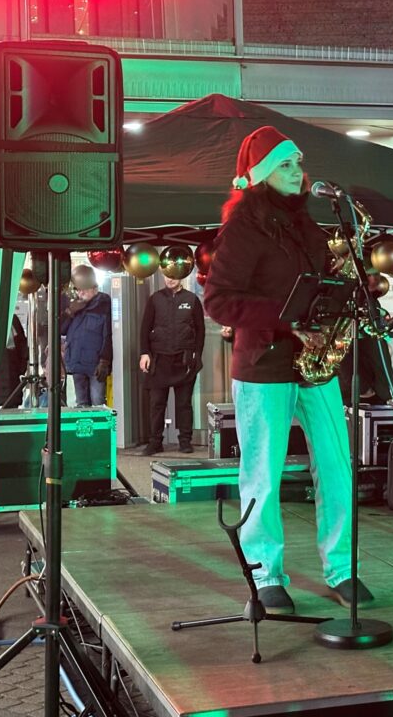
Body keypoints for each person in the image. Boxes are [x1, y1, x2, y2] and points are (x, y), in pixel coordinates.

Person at [203, 125, 373, 614]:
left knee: (338, 468)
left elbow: (318, 281)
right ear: (259, 176)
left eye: (298, 163)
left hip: (316, 363)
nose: (298, 172)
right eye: (286, 165)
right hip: (264, 363)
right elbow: (218, 300)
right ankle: (266, 574)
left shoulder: (307, 224)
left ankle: (342, 567)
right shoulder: (241, 228)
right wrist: (288, 319)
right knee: (263, 475)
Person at [139, 276, 205, 455]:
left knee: (184, 404)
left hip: (184, 360)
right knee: (156, 404)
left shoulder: (192, 299)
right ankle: (155, 442)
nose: (170, 279)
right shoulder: (155, 298)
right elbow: (145, 328)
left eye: (174, 275)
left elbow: (200, 330)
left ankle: (185, 441)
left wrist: (197, 355)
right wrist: (144, 353)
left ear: (181, 276)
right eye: (167, 275)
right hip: (159, 359)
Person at [60, 265, 112, 407]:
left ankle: (99, 430)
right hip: (77, 363)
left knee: (98, 403)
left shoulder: (103, 304)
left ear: (94, 288)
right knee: (81, 405)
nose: (80, 293)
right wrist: (69, 312)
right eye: (78, 290)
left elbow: (108, 335)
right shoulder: (75, 306)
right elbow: (61, 330)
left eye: (83, 289)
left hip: (95, 365)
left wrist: (104, 360)